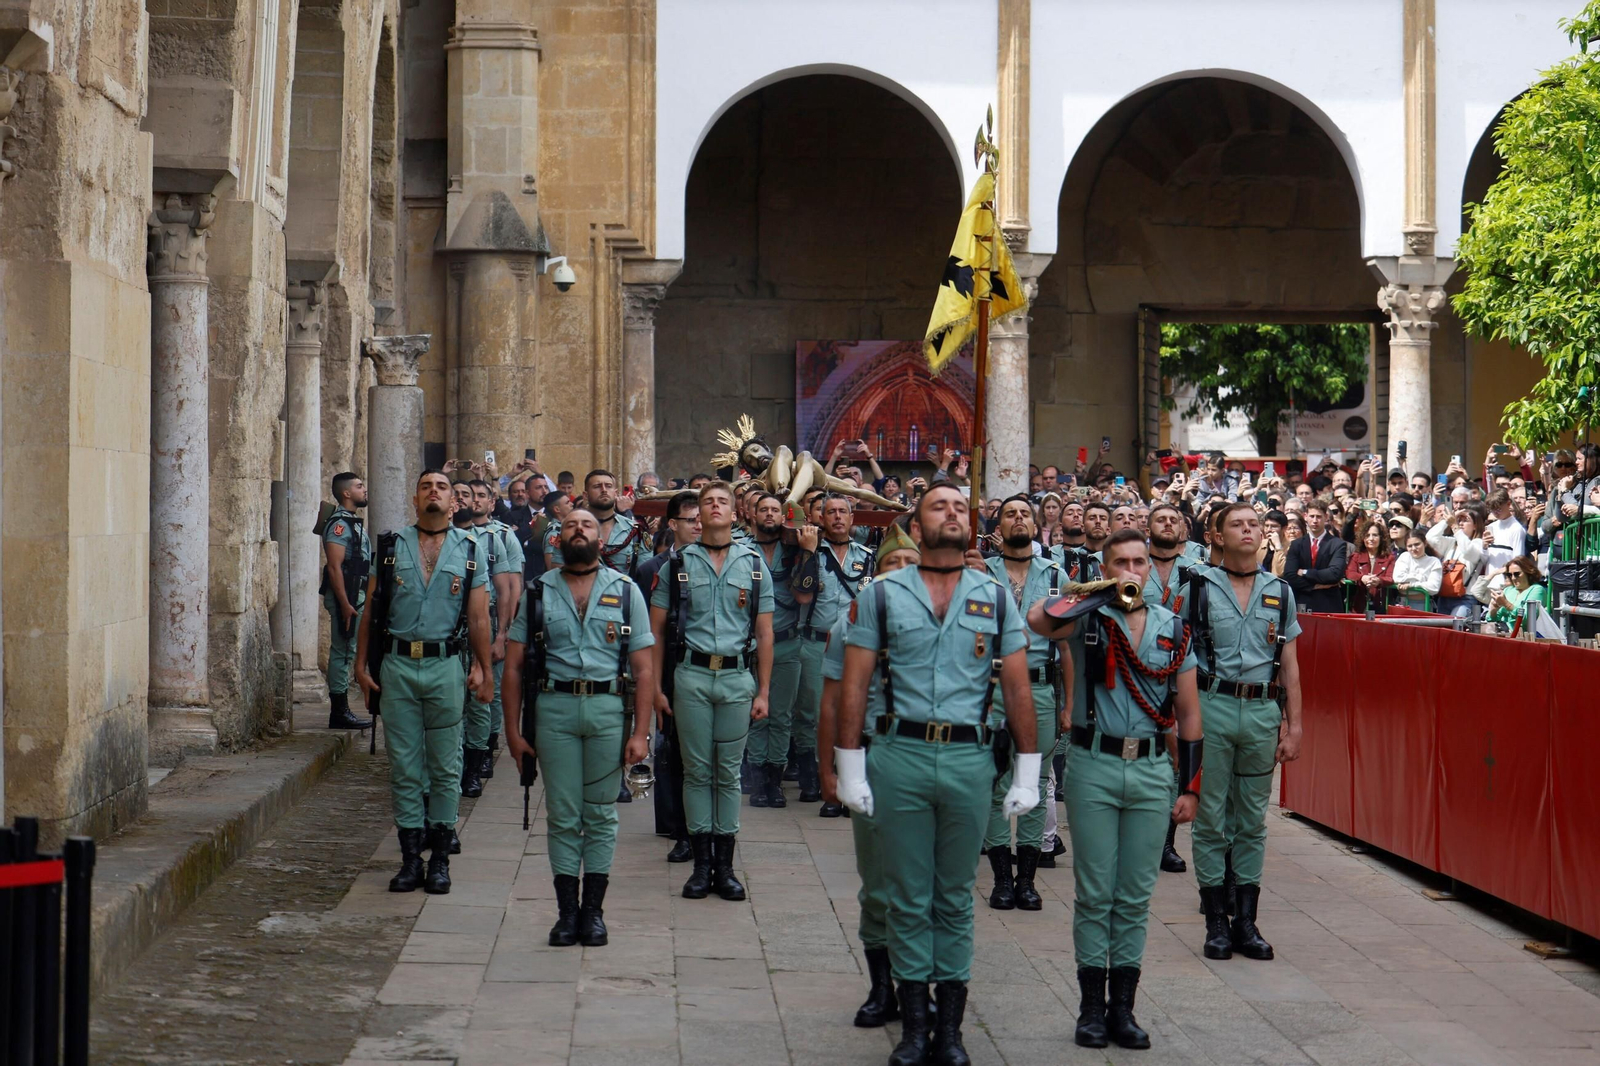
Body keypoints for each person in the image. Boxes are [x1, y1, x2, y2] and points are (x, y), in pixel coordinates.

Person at [834, 484, 1039, 1066]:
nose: (951, 512)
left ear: (972, 524)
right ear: (916, 526)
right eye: (937, 506)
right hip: (898, 754)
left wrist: (1027, 770)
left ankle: (949, 1030)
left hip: (970, 760)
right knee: (904, 895)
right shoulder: (880, 596)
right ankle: (913, 1025)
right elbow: (854, 684)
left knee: (953, 897)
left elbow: (1018, 688)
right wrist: (850, 766)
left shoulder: (995, 597)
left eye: (959, 506)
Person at [1028, 528, 1201, 1050]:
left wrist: (1190, 788)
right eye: (1120, 563)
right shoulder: (1085, 616)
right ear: (1107, 567)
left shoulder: (1174, 627)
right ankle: (1089, 1009)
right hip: (1093, 765)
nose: (1132, 571)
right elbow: (1038, 619)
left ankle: (1122, 1009)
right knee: (1095, 891)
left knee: (1133, 895)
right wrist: (1094, 591)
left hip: (1150, 770)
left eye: (1139, 563)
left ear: (1151, 567)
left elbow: (1190, 715)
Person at [501, 509, 654, 947]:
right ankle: (567, 913)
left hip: (608, 711)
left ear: (601, 540)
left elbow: (644, 670)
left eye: (587, 525)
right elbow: (512, 669)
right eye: (571, 526)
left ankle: (594, 913)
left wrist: (640, 733)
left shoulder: (627, 593)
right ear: (557, 540)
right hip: (556, 711)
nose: (580, 530)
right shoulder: (536, 594)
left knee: (601, 814)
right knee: (564, 816)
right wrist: (513, 733)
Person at [355, 470, 494, 895]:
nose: (434, 492)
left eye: (442, 487)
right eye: (426, 487)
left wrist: (483, 669)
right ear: (415, 499)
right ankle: (410, 859)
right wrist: (361, 665)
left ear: (453, 501)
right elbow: (372, 610)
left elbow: (478, 617)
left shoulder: (471, 551)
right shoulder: (392, 547)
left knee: (445, 764)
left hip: (444, 665)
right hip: (398, 664)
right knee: (404, 765)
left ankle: (439, 861)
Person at [1185, 503, 1303, 966]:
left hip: (1260, 709)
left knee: (1252, 821)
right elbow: (1178, 657)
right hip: (1210, 705)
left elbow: (1290, 664)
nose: (1249, 530)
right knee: (1211, 817)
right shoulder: (1196, 586)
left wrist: (1295, 726)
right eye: (1238, 524)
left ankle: (1246, 923)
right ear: (1216, 535)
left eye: (1255, 524)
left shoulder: (1281, 591)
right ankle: (1216, 923)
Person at [648, 481, 774, 901]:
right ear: (697, 515)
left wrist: (765, 691)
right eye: (707, 502)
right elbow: (656, 630)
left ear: (735, 513)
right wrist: (656, 688)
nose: (715, 507)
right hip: (692, 676)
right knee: (697, 770)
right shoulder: (678, 564)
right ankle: (702, 866)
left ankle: (726, 867)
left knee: (728, 773)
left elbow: (765, 633)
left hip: (738, 677)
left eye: (722, 501)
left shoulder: (754, 565)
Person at [816, 523, 920, 1030]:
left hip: (925, 761)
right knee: (877, 883)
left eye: (909, 565)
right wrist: (828, 770)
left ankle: (921, 986)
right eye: (889, 565)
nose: (899, 574)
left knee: (927, 886)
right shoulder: (849, 625)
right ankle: (883, 989)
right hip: (874, 761)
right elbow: (832, 705)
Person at [981, 495, 1066, 911]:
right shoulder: (981, 571)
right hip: (991, 688)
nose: (1018, 519)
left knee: (1034, 778)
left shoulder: (1056, 576)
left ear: (1035, 526)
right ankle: (1000, 879)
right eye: (1010, 514)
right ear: (999, 526)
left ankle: (1027, 879)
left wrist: (1070, 704)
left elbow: (1067, 645)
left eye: (1025, 514)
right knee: (996, 779)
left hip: (1041, 690)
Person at [638, 492, 701, 863]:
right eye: (690, 519)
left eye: (700, 518)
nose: (697, 524)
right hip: (671, 670)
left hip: (708, 668)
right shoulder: (652, 570)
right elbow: (648, 631)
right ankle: (680, 831)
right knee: (673, 754)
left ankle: (707, 831)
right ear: (673, 524)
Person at [1142, 503, 1204, 874]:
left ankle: (1165, 842)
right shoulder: (1135, 565)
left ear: (1184, 530)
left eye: (1174, 520)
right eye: (1160, 519)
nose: (1168, 524)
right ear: (1148, 528)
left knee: (1177, 759)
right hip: (1140, 675)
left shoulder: (1198, 571)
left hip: (1184, 672)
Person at [747, 492, 820, 808]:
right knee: (755, 714)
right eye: (763, 509)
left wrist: (807, 550)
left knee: (782, 715)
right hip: (750, 644)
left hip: (787, 641)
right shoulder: (741, 550)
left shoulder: (795, 550)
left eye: (775, 510)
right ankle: (756, 780)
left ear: (784, 516)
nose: (768, 514)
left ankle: (774, 782)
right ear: (752, 514)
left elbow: (804, 594)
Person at [802, 495, 874, 803]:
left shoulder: (867, 556)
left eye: (843, 512)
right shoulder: (810, 552)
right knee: (821, 716)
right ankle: (823, 781)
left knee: (856, 715)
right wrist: (806, 553)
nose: (837, 517)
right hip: (818, 643)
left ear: (852, 518)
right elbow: (801, 593)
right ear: (821, 518)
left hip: (857, 648)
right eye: (830, 512)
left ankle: (850, 782)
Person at [460, 479, 524, 797]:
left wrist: (503, 634)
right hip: (452, 632)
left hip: (488, 622)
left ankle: (481, 753)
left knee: (487, 694)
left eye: (473, 495)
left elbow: (509, 587)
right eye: (456, 494)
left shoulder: (498, 538)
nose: (465, 500)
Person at [321, 472, 374, 730]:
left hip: (356, 594)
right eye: (359, 486)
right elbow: (334, 567)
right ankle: (339, 712)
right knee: (342, 652)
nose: (364, 490)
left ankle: (342, 709)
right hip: (347, 595)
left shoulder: (351, 522)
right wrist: (344, 603)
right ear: (346, 493)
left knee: (348, 650)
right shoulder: (339, 524)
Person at [550, 470, 647, 576]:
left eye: (608, 486)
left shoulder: (635, 530)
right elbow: (558, 572)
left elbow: (644, 575)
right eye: (597, 486)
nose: (604, 490)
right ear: (585, 495)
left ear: (615, 493)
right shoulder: (570, 529)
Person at [1284, 501, 1349, 612]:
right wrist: (1314, 586)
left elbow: (1334, 574)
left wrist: (1305, 573)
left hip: (1329, 605)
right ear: (1305, 517)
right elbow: (1290, 575)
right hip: (1302, 603)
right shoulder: (1296, 545)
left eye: (1318, 517)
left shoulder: (1338, 544)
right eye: (1312, 516)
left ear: (1326, 517)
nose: (1315, 521)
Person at [1426, 504, 1487, 619]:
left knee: (1455, 627)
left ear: (1475, 526)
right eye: (1459, 520)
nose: (1461, 523)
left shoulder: (1478, 543)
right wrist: (1446, 521)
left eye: (1465, 520)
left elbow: (1467, 550)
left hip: (1465, 598)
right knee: (1442, 630)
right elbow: (1430, 538)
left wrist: (1454, 526)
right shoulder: (1451, 542)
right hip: (1445, 595)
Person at [1345, 519, 1396, 614]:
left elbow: (1390, 577)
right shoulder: (1356, 556)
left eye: (1375, 535)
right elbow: (1349, 573)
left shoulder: (1389, 558)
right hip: (1359, 606)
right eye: (1367, 535)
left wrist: (1379, 581)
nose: (1371, 539)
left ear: (1381, 538)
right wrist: (1362, 578)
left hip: (1381, 606)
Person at [1489, 554, 1548, 630]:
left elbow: (1528, 619)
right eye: (1510, 575)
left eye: (1517, 574)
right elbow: (1492, 620)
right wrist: (1494, 609)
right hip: (1503, 634)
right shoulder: (1508, 590)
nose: (1513, 578)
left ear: (1528, 572)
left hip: (1525, 637)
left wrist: (1506, 604)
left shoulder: (1537, 590)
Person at [1392, 530, 1443, 608]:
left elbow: (1434, 587)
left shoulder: (1434, 562)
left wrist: (1411, 584)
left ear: (1425, 543)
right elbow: (1398, 578)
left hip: (1423, 605)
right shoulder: (1404, 556)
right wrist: (1421, 578)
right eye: (1410, 546)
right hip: (1401, 603)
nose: (1414, 548)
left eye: (1417, 544)